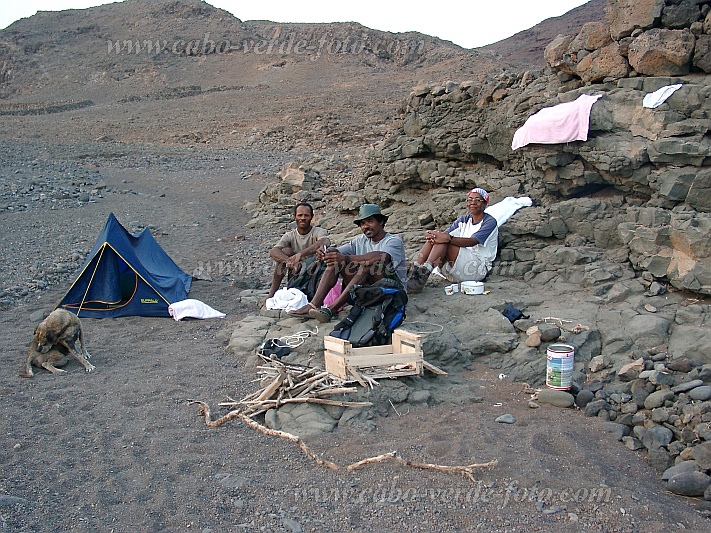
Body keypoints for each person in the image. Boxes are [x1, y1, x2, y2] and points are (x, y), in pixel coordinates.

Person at [289, 203, 407, 323]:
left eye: (370, 221)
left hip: (392, 292)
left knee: (368, 266)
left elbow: (381, 257)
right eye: (362, 223)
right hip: (368, 290)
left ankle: (331, 309)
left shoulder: (393, 241)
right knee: (335, 262)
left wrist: (346, 259)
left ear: (381, 222)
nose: (366, 226)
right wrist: (326, 252)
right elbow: (338, 251)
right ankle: (314, 305)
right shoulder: (360, 241)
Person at [407, 187, 498, 293]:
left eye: (478, 200)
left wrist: (448, 238)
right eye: (470, 200)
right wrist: (431, 234)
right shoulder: (464, 220)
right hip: (456, 268)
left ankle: (422, 275)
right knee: (437, 239)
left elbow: (472, 241)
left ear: (484, 204)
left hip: (476, 268)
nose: (473, 203)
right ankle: (415, 270)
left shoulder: (489, 222)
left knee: (445, 241)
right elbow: (443, 235)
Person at [264, 202, 330, 302]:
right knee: (285, 251)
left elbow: (324, 241)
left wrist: (300, 255)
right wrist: (289, 261)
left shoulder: (318, 231)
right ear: (295, 217)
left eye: (306, 215)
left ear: (312, 217)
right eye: (300, 215)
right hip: (296, 272)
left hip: (314, 271)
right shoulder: (290, 235)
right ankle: (272, 294)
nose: (303, 218)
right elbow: (274, 251)